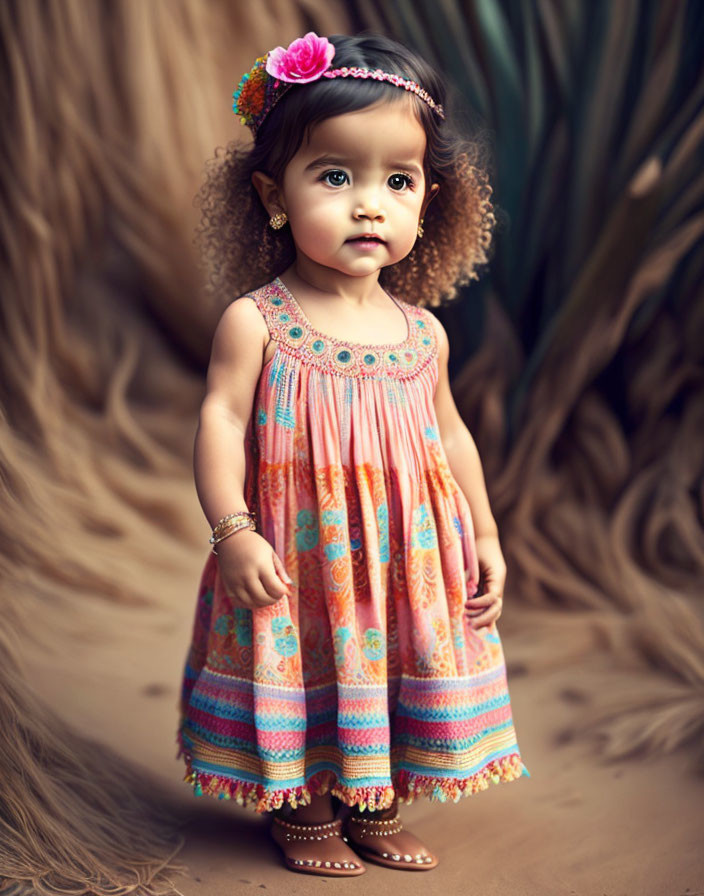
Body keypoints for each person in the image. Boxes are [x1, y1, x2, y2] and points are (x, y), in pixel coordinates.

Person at [176, 31, 530, 878]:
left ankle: (375, 802)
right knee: (306, 659)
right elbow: (221, 421)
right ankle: (301, 809)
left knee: (395, 659)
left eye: (396, 181)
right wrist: (233, 531)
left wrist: (483, 532)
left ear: (428, 201)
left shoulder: (424, 334)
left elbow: (449, 433)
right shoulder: (258, 320)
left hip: (404, 557)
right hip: (302, 556)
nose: (369, 203)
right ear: (272, 194)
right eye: (335, 176)